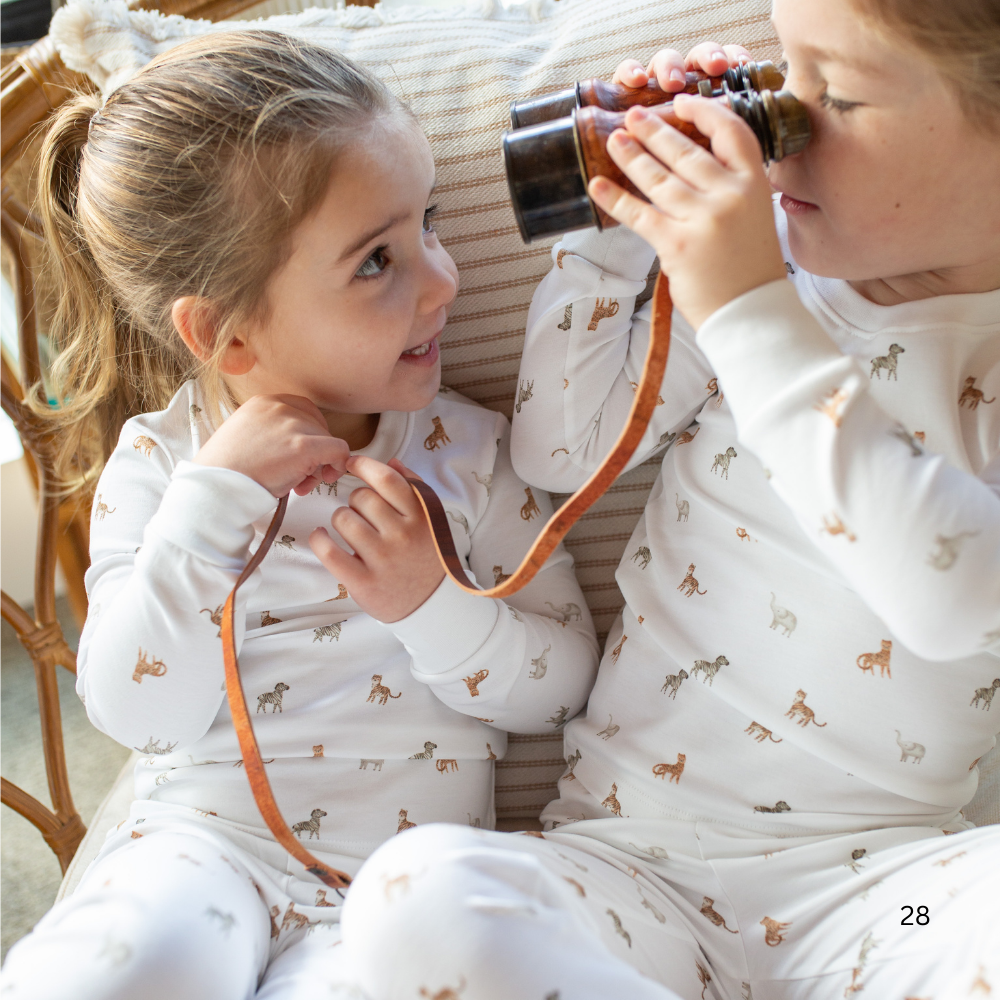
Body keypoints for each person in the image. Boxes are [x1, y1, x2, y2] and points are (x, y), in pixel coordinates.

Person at [336, 1, 1000, 997]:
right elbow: (564, 453)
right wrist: (623, 234)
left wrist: (745, 306)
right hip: (630, 873)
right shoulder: (767, 261)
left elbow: (950, 597)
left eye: (839, 91)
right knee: (415, 894)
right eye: (784, 68)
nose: (782, 118)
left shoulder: (760, 295)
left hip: (884, 892)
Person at [0, 30, 598, 1000]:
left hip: (396, 887)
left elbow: (563, 684)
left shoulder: (472, 455)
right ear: (225, 331)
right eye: (376, 262)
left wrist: (431, 605)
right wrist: (208, 512)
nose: (443, 281)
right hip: (201, 847)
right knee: (109, 972)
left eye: (429, 226)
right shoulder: (163, 468)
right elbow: (133, 709)